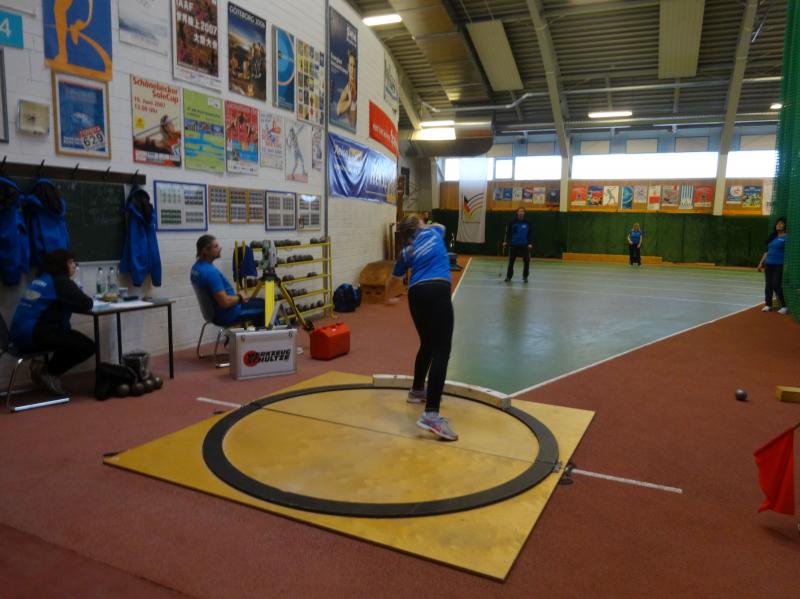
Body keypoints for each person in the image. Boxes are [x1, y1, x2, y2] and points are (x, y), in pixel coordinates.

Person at [385, 216, 458, 441]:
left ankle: (417, 390)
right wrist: (427, 224)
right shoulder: (433, 232)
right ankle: (431, 415)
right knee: (441, 351)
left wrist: (389, 298)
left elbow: (392, 280)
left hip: (416, 295)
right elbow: (442, 225)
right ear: (419, 226)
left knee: (427, 343)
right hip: (437, 290)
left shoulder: (406, 251)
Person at [9, 249, 95, 395]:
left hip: (17, 336)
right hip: (33, 335)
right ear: (61, 264)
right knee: (87, 346)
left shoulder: (41, 279)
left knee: (68, 336)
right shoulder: (59, 281)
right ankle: (48, 373)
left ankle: (43, 369)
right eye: (70, 262)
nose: (74, 265)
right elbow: (87, 303)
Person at [191, 235, 266, 326]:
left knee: (261, 302)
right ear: (205, 251)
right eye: (216, 246)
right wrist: (240, 297)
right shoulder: (210, 272)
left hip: (214, 314)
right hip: (228, 314)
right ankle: (268, 334)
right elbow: (225, 302)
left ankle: (259, 334)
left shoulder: (196, 268)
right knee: (267, 307)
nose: (220, 248)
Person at [757, 217, 788, 314]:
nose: (779, 225)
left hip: (779, 265)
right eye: (777, 223)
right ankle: (768, 305)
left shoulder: (787, 237)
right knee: (768, 285)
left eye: (781, 223)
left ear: (785, 226)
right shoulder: (773, 236)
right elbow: (767, 251)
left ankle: (784, 306)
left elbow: (789, 252)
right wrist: (761, 263)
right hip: (768, 264)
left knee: (776, 284)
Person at [503, 207, 533, 282]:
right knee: (511, 262)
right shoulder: (512, 222)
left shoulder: (528, 222)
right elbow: (508, 233)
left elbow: (530, 234)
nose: (521, 213)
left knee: (527, 261)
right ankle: (509, 277)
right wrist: (506, 241)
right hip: (514, 245)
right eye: (519, 211)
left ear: (524, 213)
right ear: (517, 212)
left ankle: (525, 277)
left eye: (522, 211)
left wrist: (530, 243)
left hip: (524, 245)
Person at [336, 49, 357, 127]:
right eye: (351, 65)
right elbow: (338, 110)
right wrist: (349, 102)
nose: (352, 69)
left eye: (354, 66)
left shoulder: (358, 86)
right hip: (351, 126)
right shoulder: (346, 91)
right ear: (348, 67)